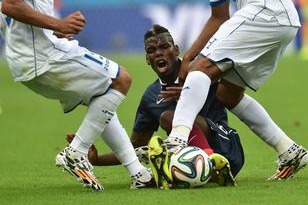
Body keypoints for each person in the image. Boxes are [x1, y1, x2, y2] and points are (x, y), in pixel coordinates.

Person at [0, 0, 152, 191]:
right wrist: (59, 24)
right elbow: (10, 5)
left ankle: (138, 173)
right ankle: (76, 152)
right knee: (121, 79)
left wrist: (53, 31)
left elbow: (11, 19)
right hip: (44, 56)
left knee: (102, 98)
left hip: (29, 58)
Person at [65, 24, 245, 187]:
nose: (158, 53)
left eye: (164, 47)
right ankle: (176, 171)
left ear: (176, 50)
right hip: (191, 162)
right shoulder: (151, 96)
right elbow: (135, 145)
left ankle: (210, 163)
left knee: (170, 118)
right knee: (155, 148)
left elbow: (230, 81)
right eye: (151, 50)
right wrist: (97, 160)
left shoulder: (199, 70)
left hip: (227, 147)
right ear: (147, 59)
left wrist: (189, 93)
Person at [162, 0, 308, 181]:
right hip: (286, 21)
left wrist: (188, 58)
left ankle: (177, 139)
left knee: (200, 68)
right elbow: (220, 16)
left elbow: (219, 18)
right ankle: (289, 150)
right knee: (228, 94)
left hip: (266, 12)